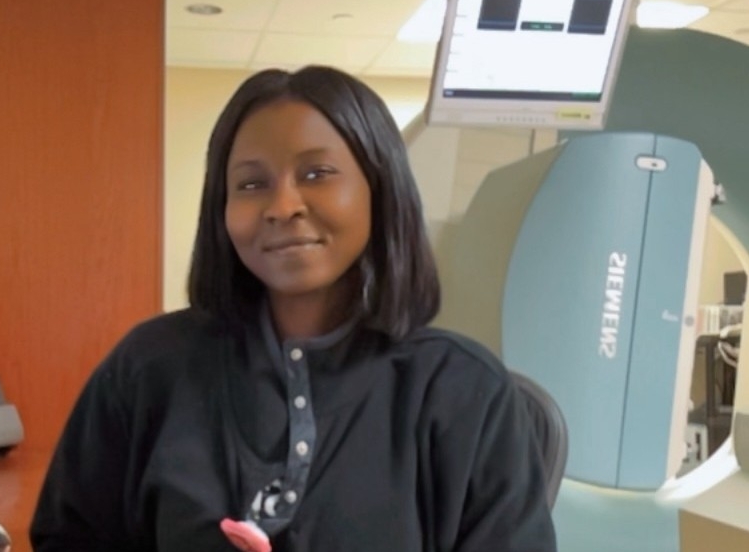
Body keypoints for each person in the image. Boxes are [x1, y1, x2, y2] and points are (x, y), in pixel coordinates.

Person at [30, 65, 556, 552]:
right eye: (251, 184)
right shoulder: (148, 368)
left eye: (317, 173)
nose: (282, 206)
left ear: (380, 188)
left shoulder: (465, 392)